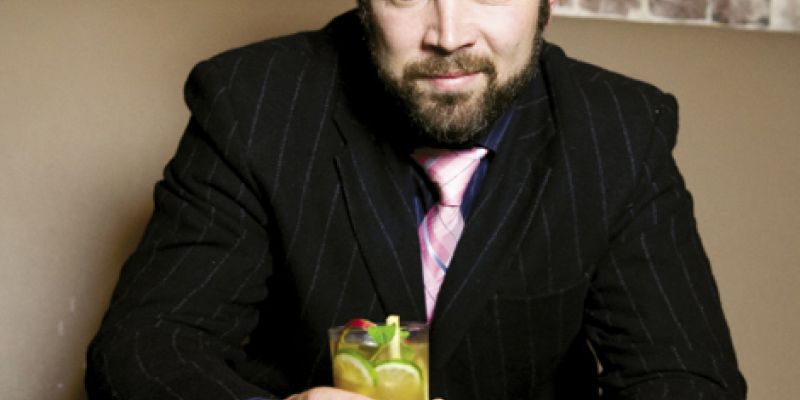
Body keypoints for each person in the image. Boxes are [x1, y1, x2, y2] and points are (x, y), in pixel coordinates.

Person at [86, 0, 747, 399]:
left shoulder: (620, 131)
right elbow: (145, 349)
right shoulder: (254, 103)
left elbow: (686, 379)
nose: (448, 34)